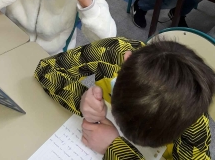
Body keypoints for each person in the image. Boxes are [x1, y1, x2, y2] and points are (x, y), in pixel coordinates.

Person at [35, 37, 215, 159]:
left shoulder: (193, 120)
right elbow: (46, 70)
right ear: (126, 60)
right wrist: (81, 99)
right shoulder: (112, 52)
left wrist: (114, 149)